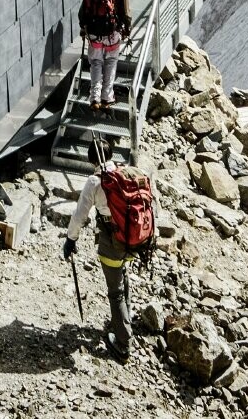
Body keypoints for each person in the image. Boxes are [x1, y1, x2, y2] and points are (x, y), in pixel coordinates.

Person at [62, 148, 157, 359]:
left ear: (90, 160)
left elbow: (80, 215)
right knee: (122, 280)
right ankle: (125, 320)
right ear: (112, 154)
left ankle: (123, 343)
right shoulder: (126, 174)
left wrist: (71, 239)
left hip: (112, 243)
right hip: (134, 241)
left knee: (115, 291)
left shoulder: (95, 182)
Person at [78, 0, 132, 110]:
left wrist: (83, 28)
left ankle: (94, 98)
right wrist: (128, 29)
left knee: (96, 63)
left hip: (94, 33)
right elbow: (127, 14)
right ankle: (107, 98)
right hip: (112, 33)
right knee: (111, 62)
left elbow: (83, 12)